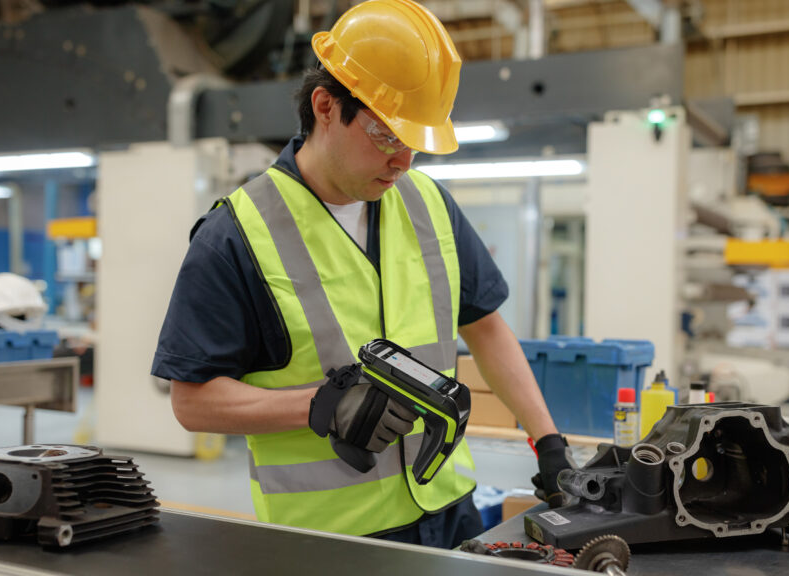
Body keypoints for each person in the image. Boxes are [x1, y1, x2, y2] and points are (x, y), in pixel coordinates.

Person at [151, 0, 572, 549]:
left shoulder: (428, 205)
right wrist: (319, 405)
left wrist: (549, 442)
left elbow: (486, 328)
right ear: (326, 106)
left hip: (450, 510)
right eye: (384, 135)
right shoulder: (237, 235)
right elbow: (191, 400)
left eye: (414, 143)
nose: (402, 162)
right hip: (332, 540)